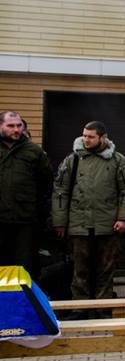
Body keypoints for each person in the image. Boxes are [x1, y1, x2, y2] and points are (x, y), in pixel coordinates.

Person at [52, 121, 125, 300]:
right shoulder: (72, 159)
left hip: (107, 225)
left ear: (102, 138)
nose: (86, 140)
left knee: (106, 269)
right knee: (79, 269)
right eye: (84, 136)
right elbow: (60, 191)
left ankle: (102, 307)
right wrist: (59, 221)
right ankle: (79, 307)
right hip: (79, 224)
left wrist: (123, 218)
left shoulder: (118, 160)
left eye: (91, 137)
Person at [0, 111, 53, 277]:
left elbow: (47, 184)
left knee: (23, 268)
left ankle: (23, 301)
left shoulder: (34, 152)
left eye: (19, 125)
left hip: (25, 222)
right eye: (10, 126)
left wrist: (38, 213)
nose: (16, 129)